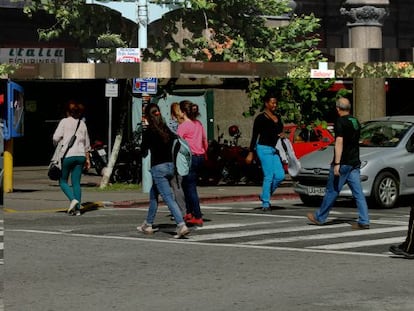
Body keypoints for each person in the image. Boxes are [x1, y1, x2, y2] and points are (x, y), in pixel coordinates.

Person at [307, 97, 370, 229]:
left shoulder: (340, 121)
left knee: (332, 190)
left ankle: (320, 217)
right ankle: (364, 220)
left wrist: (337, 163)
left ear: (337, 109)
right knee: (358, 193)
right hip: (354, 162)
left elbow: (339, 142)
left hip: (343, 162)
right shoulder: (355, 121)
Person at [138, 103, 190, 239]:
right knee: (153, 195)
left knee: (167, 197)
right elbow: (176, 143)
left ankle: (181, 224)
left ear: (148, 117)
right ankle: (148, 223)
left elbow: (143, 152)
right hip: (170, 166)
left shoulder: (149, 131)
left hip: (158, 168)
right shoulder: (166, 129)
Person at [246, 92, 285, 211]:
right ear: (266, 103)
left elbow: (279, 131)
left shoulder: (278, 117)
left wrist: (282, 135)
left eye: (276, 103)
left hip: (275, 149)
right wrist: (251, 152)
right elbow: (254, 136)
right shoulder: (260, 118)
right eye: (272, 103)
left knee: (280, 175)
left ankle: (264, 195)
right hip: (263, 148)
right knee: (269, 176)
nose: (275, 105)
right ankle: (266, 203)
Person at [53, 100, 91, 216]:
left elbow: (55, 137)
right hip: (80, 156)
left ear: (67, 112)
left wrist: (59, 144)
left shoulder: (64, 122)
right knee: (76, 183)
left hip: (68, 155)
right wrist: (88, 159)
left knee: (63, 181)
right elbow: (87, 143)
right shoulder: (82, 123)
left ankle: (72, 200)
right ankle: (78, 209)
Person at [178, 100, 208, 226]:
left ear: (183, 112)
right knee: (187, 185)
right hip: (200, 156)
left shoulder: (184, 126)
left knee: (190, 187)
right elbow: (204, 140)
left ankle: (197, 214)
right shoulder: (198, 124)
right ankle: (189, 212)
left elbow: (178, 141)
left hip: (190, 158)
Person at [167, 102, 187, 217]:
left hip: (175, 157)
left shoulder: (171, 125)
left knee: (176, 185)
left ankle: (180, 210)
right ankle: (185, 208)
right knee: (183, 184)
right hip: (186, 156)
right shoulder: (187, 124)